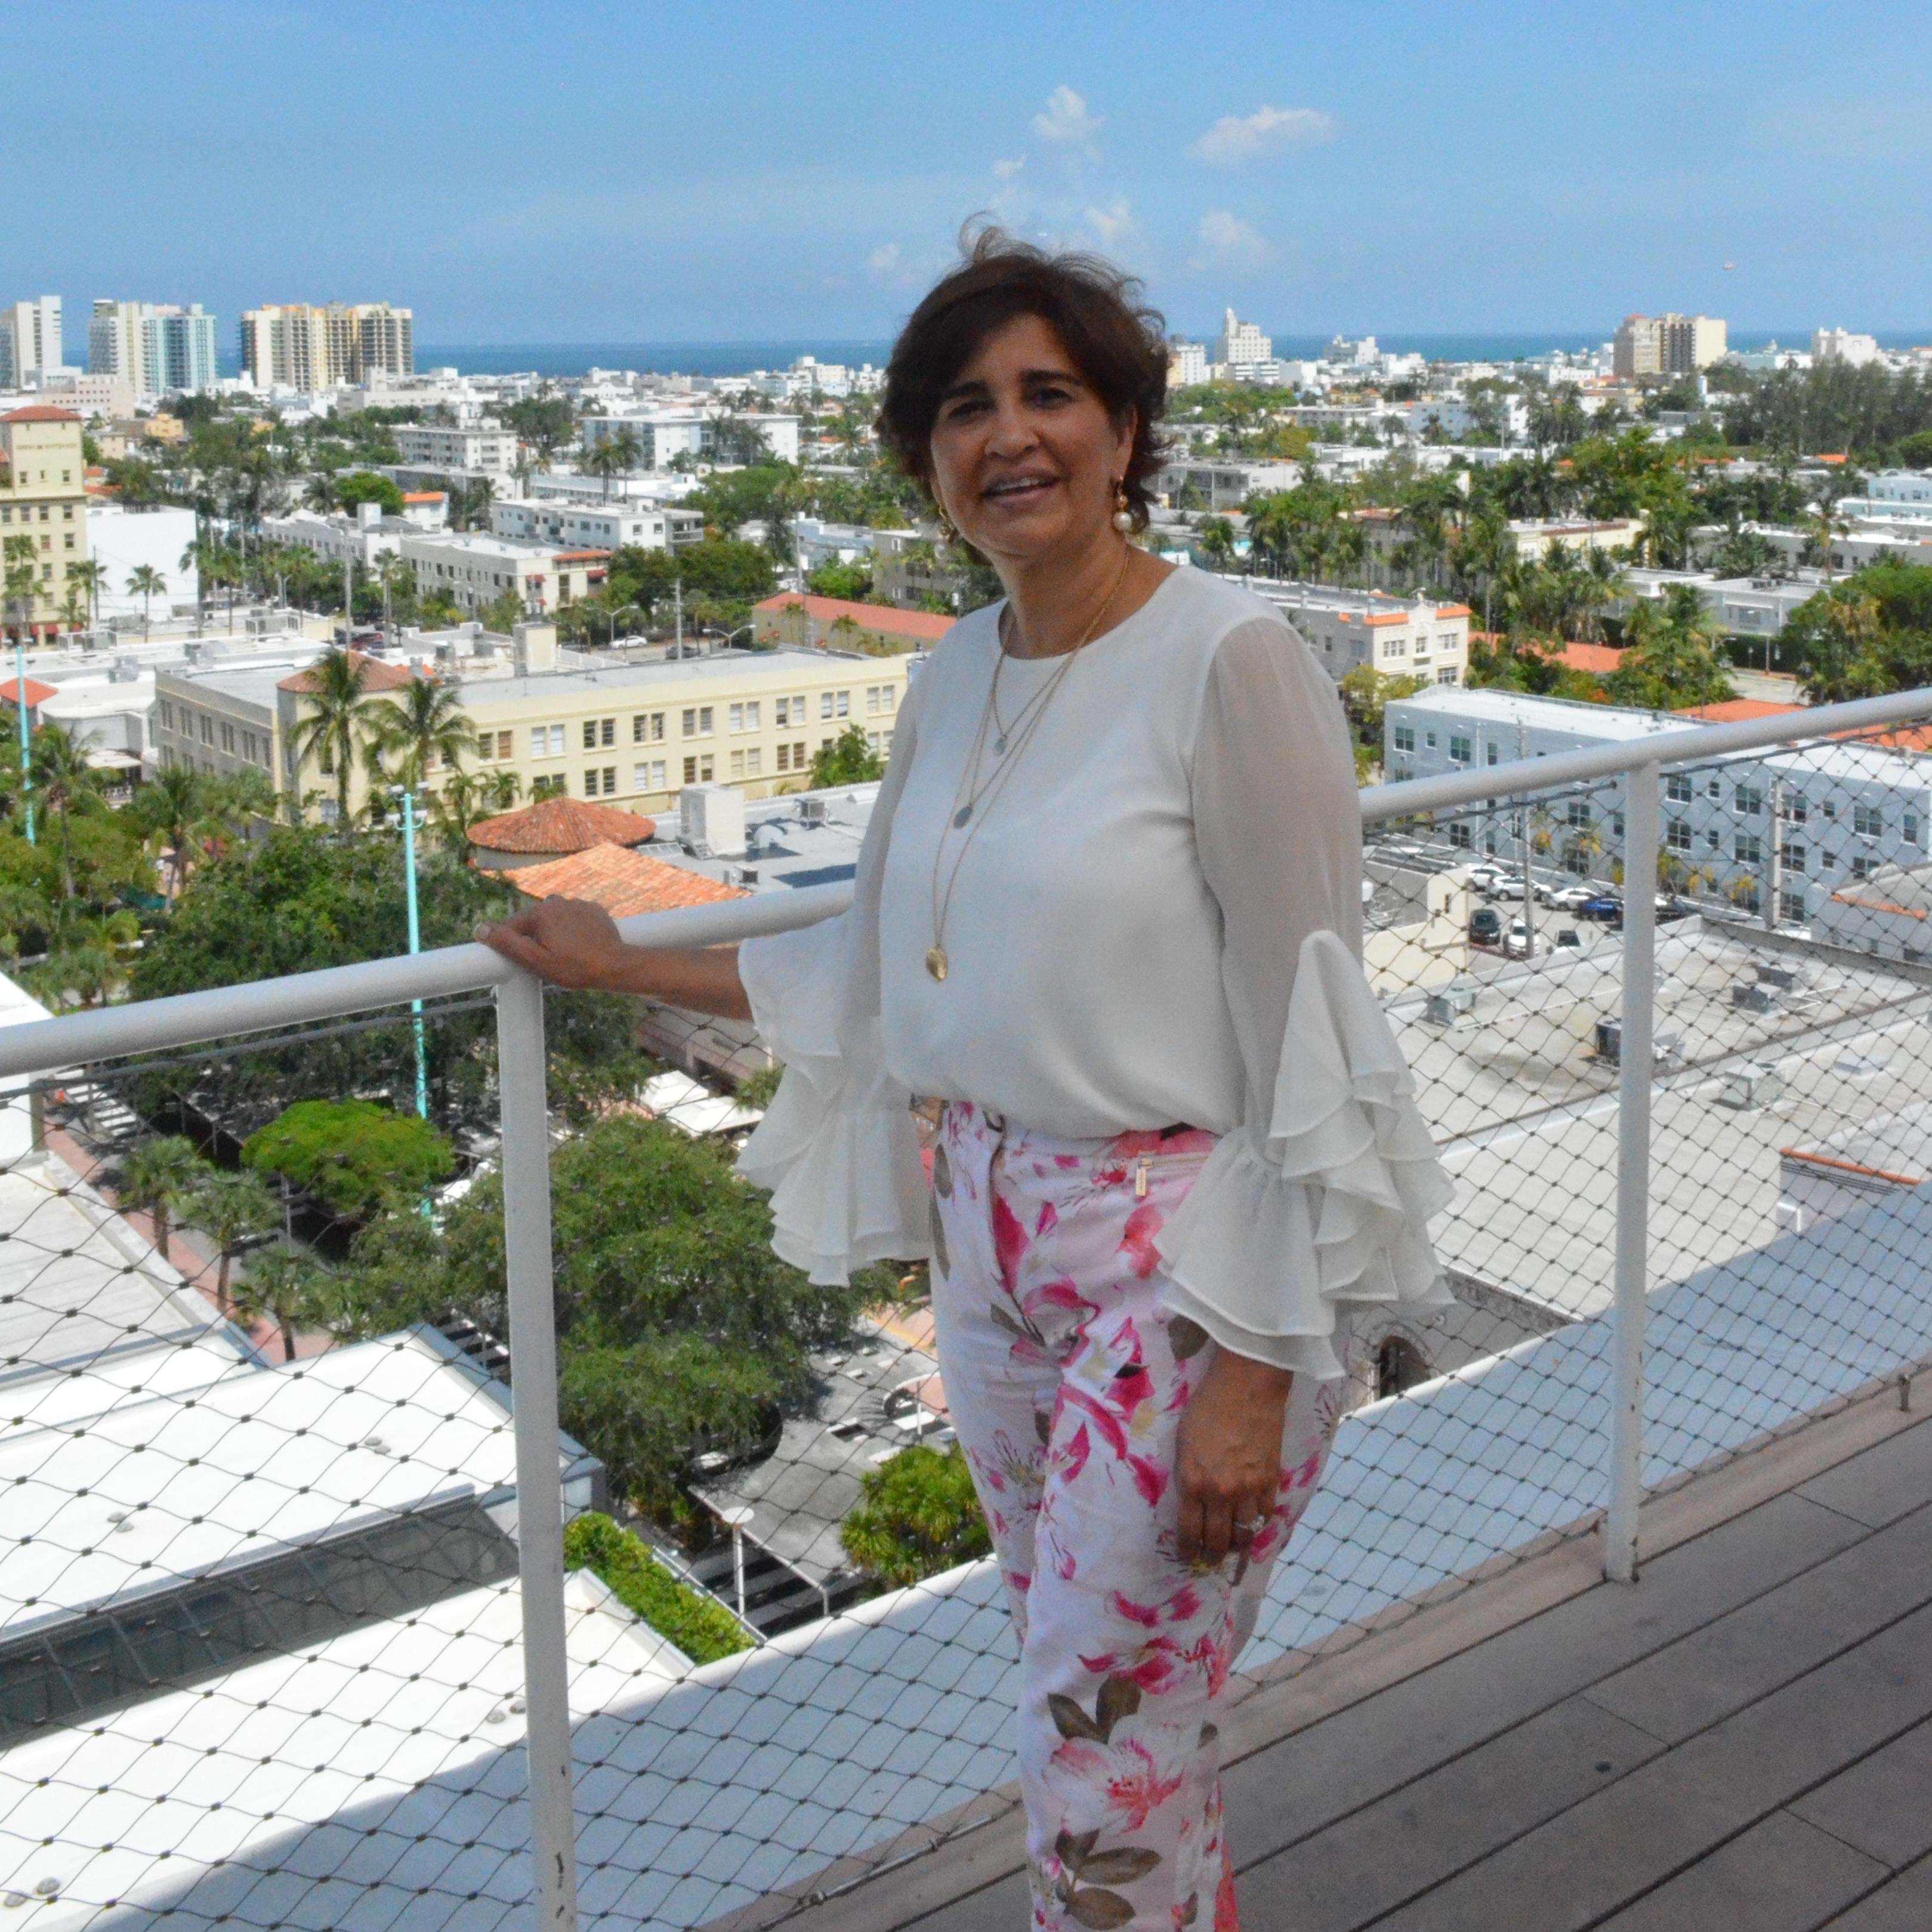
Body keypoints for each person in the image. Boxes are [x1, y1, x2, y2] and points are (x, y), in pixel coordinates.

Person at [480, 230, 1452, 1932]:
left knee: (1098, 1741)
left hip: (1191, 1259)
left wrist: (1252, 1368)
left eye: (1048, 395)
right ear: (926, 463)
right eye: (963, 409)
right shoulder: (952, 671)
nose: (1009, 436)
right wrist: (624, 959)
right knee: (1119, 1717)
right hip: (991, 1250)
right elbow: (879, 973)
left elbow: (1316, 1030)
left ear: (1128, 432)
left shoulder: (1233, 664)